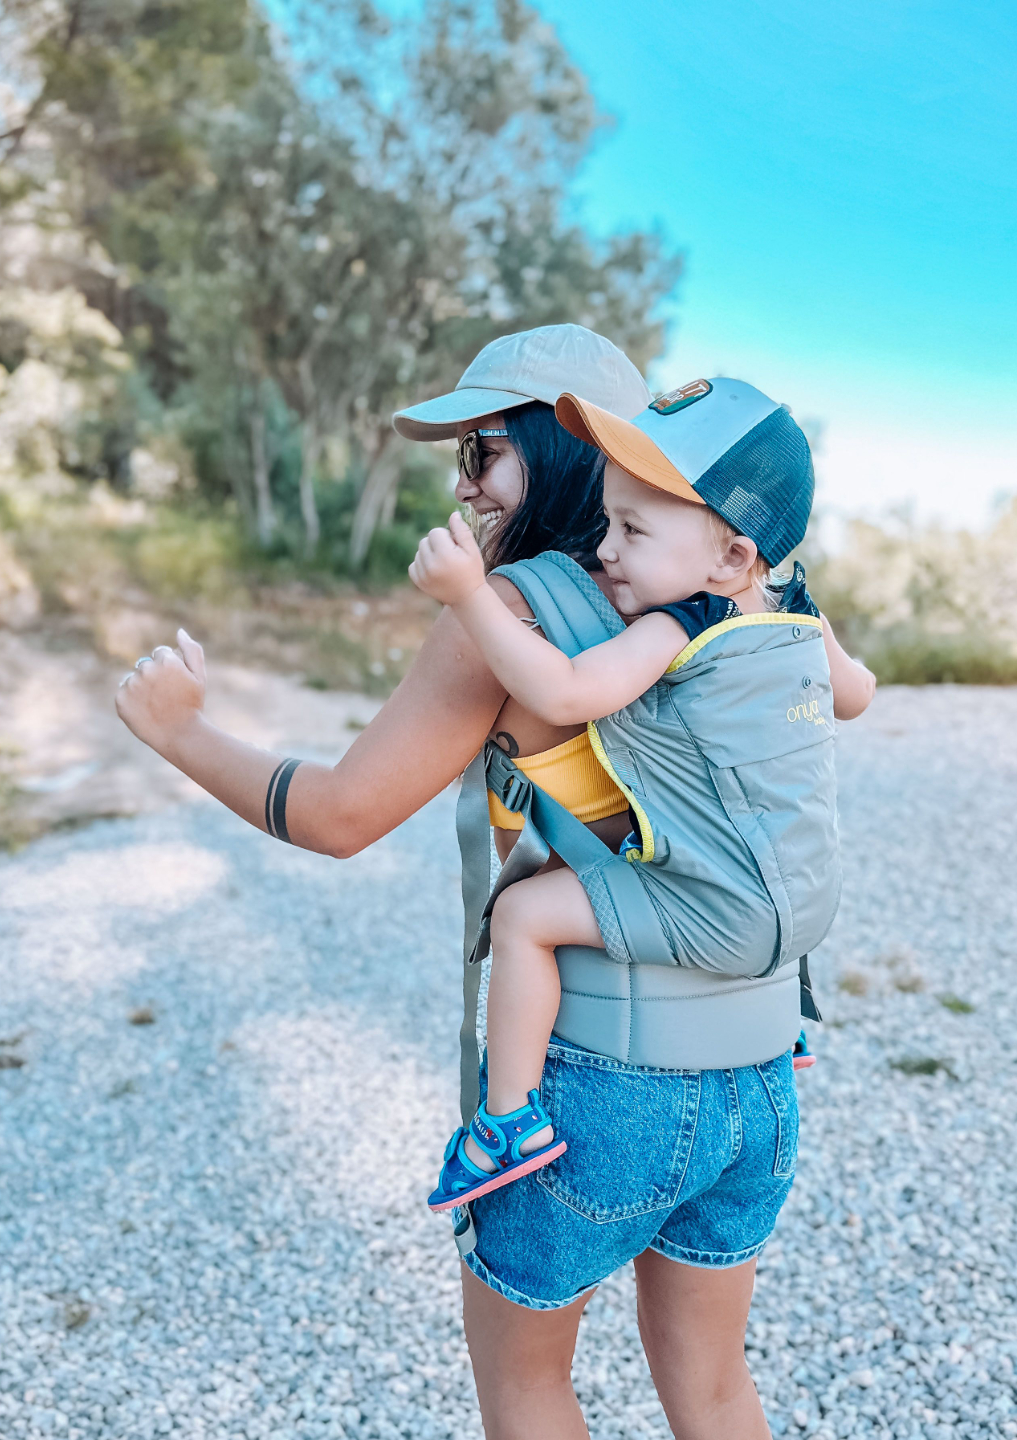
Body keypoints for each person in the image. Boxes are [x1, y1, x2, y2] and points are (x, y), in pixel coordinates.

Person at [113, 326, 837, 1440]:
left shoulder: (516, 618)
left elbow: (339, 814)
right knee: (714, 1388)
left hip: (597, 1088)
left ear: (558, 449)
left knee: (528, 1386)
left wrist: (181, 734)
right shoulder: (744, 604)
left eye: (484, 450)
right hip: (758, 1076)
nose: (464, 485)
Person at [408, 380, 876, 1212]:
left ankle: (506, 1124)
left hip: (722, 912)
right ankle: (779, 1028)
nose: (607, 548)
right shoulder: (801, 616)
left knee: (523, 916)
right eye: (607, 522)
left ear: (730, 559)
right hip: (806, 911)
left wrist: (470, 597)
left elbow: (563, 691)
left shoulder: (678, 624)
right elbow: (858, 694)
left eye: (632, 529)